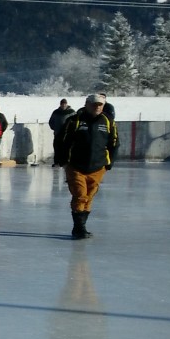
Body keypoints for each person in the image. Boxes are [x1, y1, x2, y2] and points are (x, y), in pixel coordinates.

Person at [54, 94, 118, 239]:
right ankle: (78, 228)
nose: (97, 107)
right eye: (94, 104)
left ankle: (82, 227)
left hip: (97, 166)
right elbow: (60, 141)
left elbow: (114, 143)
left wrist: (109, 163)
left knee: (89, 197)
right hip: (76, 166)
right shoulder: (74, 121)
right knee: (80, 195)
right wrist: (63, 161)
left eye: (100, 105)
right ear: (87, 104)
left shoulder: (108, 122)